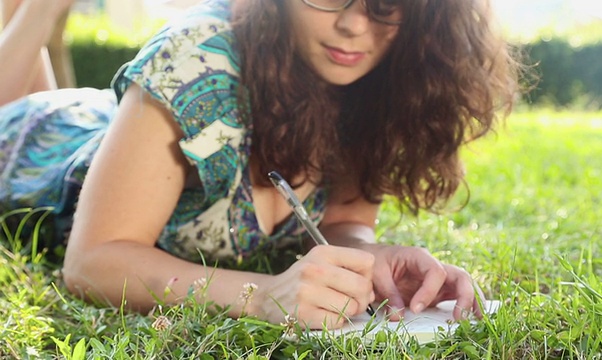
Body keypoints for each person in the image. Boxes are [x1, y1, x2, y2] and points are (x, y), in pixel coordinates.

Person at [0, 0, 520, 330]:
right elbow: (91, 263)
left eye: (385, 2)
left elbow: (344, 220)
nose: (353, 23)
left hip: (116, 124)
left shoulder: (379, 81)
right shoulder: (196, 56)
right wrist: (263, 295)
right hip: (45, 152)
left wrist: (371, 257)